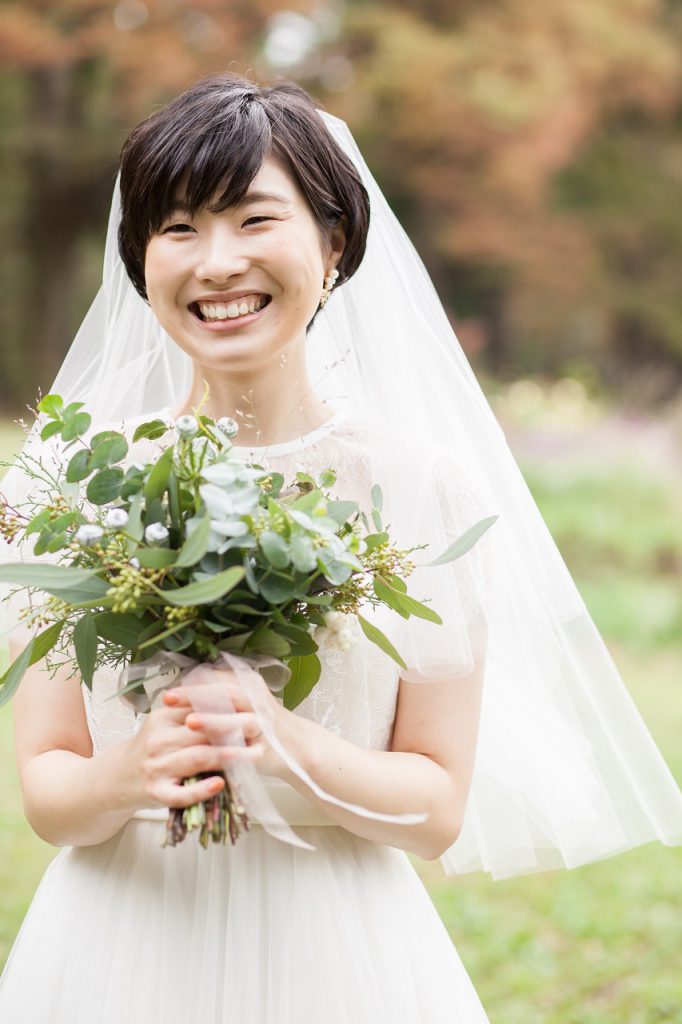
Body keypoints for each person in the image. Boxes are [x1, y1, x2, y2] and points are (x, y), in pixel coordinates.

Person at [0, 73, 680, 1023]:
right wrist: (128, 772)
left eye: (253, 219)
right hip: (117, 943)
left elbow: (436, 806)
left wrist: (279, 743)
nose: (216, 262)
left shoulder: (422, 491)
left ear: (334, 243)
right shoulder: (71, 486)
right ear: (141, 259)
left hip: (342, 956)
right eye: (179, 228)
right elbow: (48, 789)